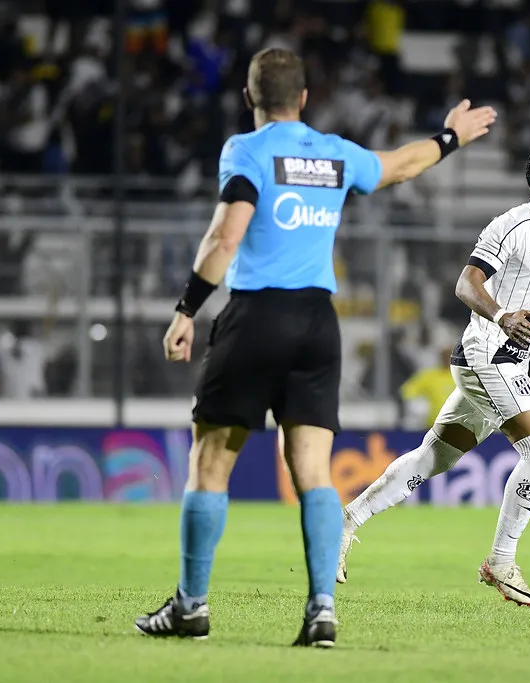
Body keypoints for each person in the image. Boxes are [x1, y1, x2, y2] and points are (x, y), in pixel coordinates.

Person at [133, 48, 496, 647]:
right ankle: (322, 610)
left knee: (210, 466)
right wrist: (451, 136)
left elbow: (227, 235)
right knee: (312, 472)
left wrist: (187, 308)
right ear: (304, 98)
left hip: (256, 317)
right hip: (317, 326)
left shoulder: (245, 151)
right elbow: (400, 165)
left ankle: (192, 606)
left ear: (250, 99)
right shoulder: (332, 153)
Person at [337, 141, 530, 606]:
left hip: (506, 363)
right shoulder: (511, 226)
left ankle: (347, 520)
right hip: (486, 354)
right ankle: (500, 560)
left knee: (430, 460)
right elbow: (466, 284)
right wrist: (501, 316)